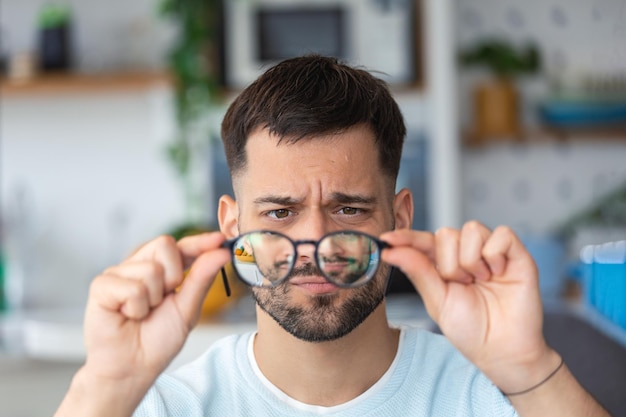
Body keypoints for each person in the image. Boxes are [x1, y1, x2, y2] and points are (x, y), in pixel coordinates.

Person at [54, 55, 609, 416]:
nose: (315, 244)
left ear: (399, 219)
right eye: (279, 213)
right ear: (230, 226)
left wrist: (530, 371)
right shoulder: (163, 406)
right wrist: (103, 385)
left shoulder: (490, 395)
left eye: (347, 209)